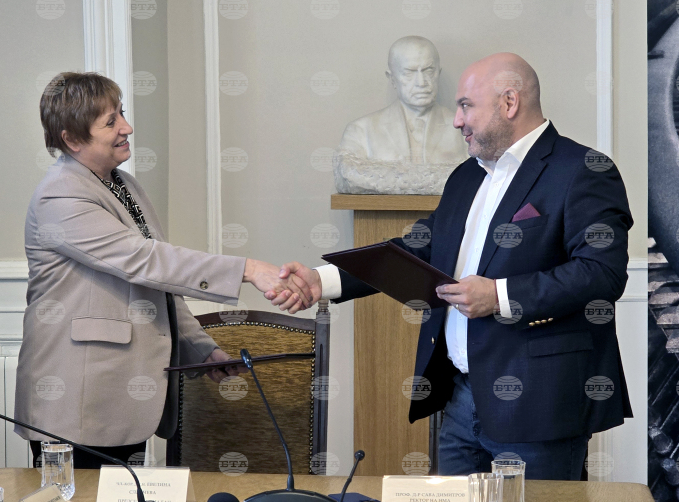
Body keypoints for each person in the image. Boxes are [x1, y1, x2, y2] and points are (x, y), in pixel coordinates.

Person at [270, 53, 633, 480]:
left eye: (465, 106)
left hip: (540, 406)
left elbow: (601, 273)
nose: (457, 120)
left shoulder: (583, 170)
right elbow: (417, 250)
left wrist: (498, 296)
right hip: (459, 400)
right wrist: (322, 280)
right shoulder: (465, 176)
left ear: (509, 102)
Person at [15, 72, 313, 468]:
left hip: (118, 403)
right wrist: (249, 269)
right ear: (72, 139)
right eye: (111, 122)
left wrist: (200, 348)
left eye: (122, 113)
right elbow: (146, 260)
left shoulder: (123, 184)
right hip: (77, 405)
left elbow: (158, 284)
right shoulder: (60, 194)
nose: (127, 127)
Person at [333, 36, 467, 195]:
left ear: (438, 73)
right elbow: (348, 177)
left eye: (428, 71)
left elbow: (477, 177)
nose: (421, 82)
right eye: (409, 72)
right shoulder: (361, 131)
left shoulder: (466, 130)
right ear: (392, 78)